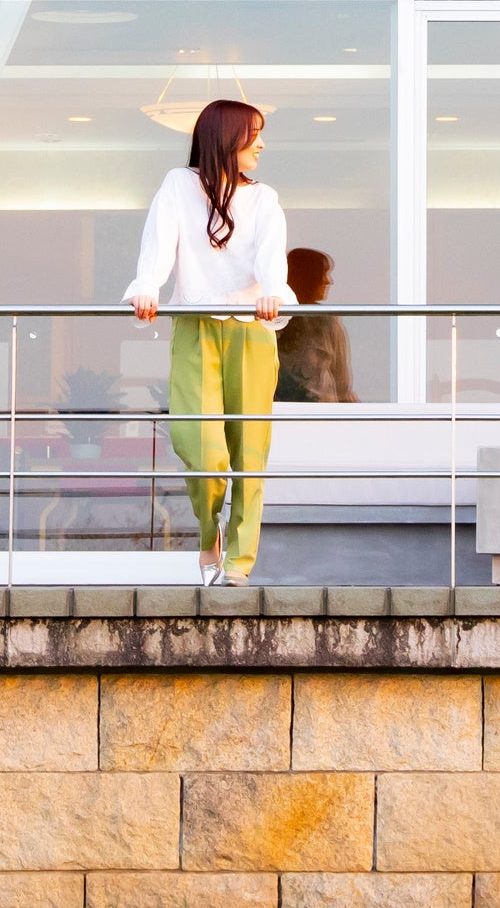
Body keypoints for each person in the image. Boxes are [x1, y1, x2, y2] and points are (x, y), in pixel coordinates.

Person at [124, 98, 288, 587]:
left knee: (249, 451)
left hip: (251, 332)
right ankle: (208, 531)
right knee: (201, 447)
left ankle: (239, 560)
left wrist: (273, 293)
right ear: (226, 138)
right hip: (195, 327)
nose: (262, 144)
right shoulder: (179, 185)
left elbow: (271, 258)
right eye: (253, 134)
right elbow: (159, 242)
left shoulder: (264, 198)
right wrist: (147, 287)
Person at [275, 248, 353, 404]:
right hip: (281, 408)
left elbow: (341, 383)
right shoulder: (274, 318)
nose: (328, 281)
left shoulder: (326, 320)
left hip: (321, 409)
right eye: (323, 273)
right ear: (309, 276)